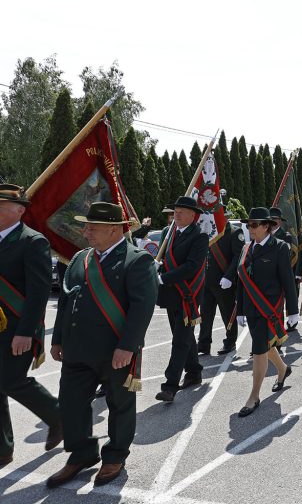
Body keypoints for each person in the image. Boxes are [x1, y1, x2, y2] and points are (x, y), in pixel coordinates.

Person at [48, 202, 157, 487]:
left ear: (113, 229)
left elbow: (142, 308)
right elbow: (66, 301)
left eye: (91, 227)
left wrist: (127, 346)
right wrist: (58, 338)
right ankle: (82, 454)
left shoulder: (136, 260)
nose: (85, 233)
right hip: (76, 351)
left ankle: (115, 456)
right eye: (86, 226)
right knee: (71, 405)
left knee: (120, 404)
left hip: (114, 352)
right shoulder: (79, 259)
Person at [0, 184, 62, 468]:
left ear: (20, 210)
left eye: (2, 206)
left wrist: (25, 332)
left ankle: (59, 417)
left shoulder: (32, 241)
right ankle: (3, 449)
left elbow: (38, 293)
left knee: (12, 381)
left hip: (17, 327)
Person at [235, 208, 299, 417]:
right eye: (248, 225)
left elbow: (287, 279)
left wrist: (293, 310)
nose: (250, 229)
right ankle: (282, 369)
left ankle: (254, 396)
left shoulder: (279, 247)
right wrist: (240, 309)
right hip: (251, 308)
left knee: (259, 349)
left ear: (266, 226)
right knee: (264, 344)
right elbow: (242, 281)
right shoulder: (246, 248)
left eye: (254, 225)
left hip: (269, 307)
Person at [155, 196, 208, 402]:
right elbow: (166, 260)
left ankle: (170, 386)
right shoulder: (169, 233)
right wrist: (157, 266)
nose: (176, 214)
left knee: (179, 340)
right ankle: (194, 372)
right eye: (175, 211)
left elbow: (191, 266)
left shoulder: (199, 236)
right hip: (171, 294)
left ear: (193, 216)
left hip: (189, 295)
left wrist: (163, 277)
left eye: (181, 211)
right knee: (184, 337)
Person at [198, 220, 244, 356]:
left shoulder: (234, 232)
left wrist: (229, 276)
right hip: (206, 280)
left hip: (224, 281)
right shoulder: (208, 230)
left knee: (227, 313)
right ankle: (203, 344)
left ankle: (230, 341)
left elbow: (238, 256)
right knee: (205, 314)